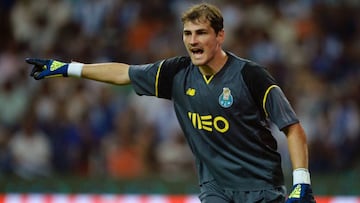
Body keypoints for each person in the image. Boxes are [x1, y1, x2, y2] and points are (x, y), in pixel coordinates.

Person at [26, 3, 315, 203]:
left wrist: (301, 180)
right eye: (187, 33)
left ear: (220, 36)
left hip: (262, 188)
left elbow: (292, 127)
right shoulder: (176, 73)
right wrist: (68, 68)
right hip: (216, 189)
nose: (192, 41)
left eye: (201, 32)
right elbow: (123, 73)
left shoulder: (251, 75)